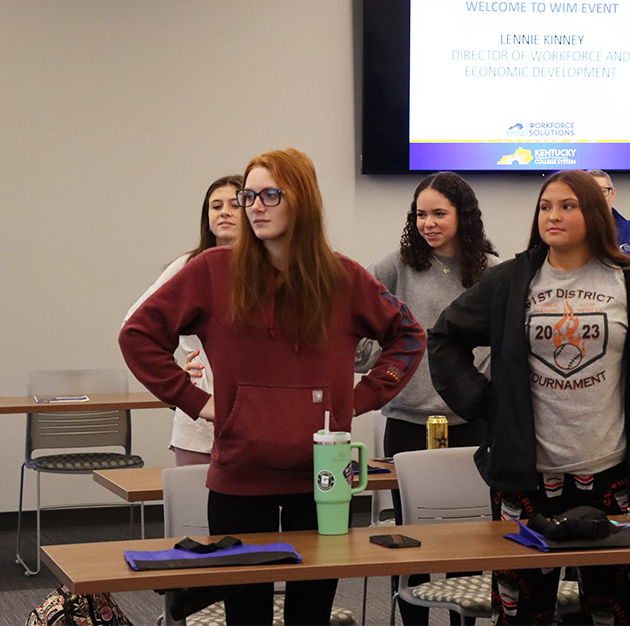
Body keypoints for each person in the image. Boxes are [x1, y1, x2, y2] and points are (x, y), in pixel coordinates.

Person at [120, 148, 425, 626]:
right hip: (241, 476)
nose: (254, 206)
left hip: (324, 477)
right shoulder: (212, 271)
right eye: (248, 196)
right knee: (247, 615)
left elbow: (409, 336)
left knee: (311, 616)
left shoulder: (343, 276)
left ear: (300, 201)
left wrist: (358, 400)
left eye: (269, 195)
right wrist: (199, 403)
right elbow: (137, 336)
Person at [429, 170, 630, 624]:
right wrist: (489, 404)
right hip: (525, 477)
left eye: (567, 206)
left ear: (595, 215)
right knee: (522, 615)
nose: (552, 216)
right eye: (545, 206)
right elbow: (445, 338)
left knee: (613, 612)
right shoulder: (510, 281)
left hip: (612, 473)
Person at [355, 171, 498, 625]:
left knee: (471, 535)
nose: (428, 223)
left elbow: (506, 346)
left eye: (439, 213)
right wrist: (390, 363)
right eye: (421, 214)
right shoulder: (394, 266)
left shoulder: (490, 273)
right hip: (406, 422)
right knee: (410, 536)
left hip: (471, 421)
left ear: (464, 216)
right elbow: (349, 328)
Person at [123, 175, 242, 466]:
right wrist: (178, 378)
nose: (224, 211)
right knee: (197, 508)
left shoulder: (272, 267)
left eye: (234, 205)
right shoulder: (189, 266)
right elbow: (135, 326)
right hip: (202, 416)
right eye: (215, 206)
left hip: (259, 419)